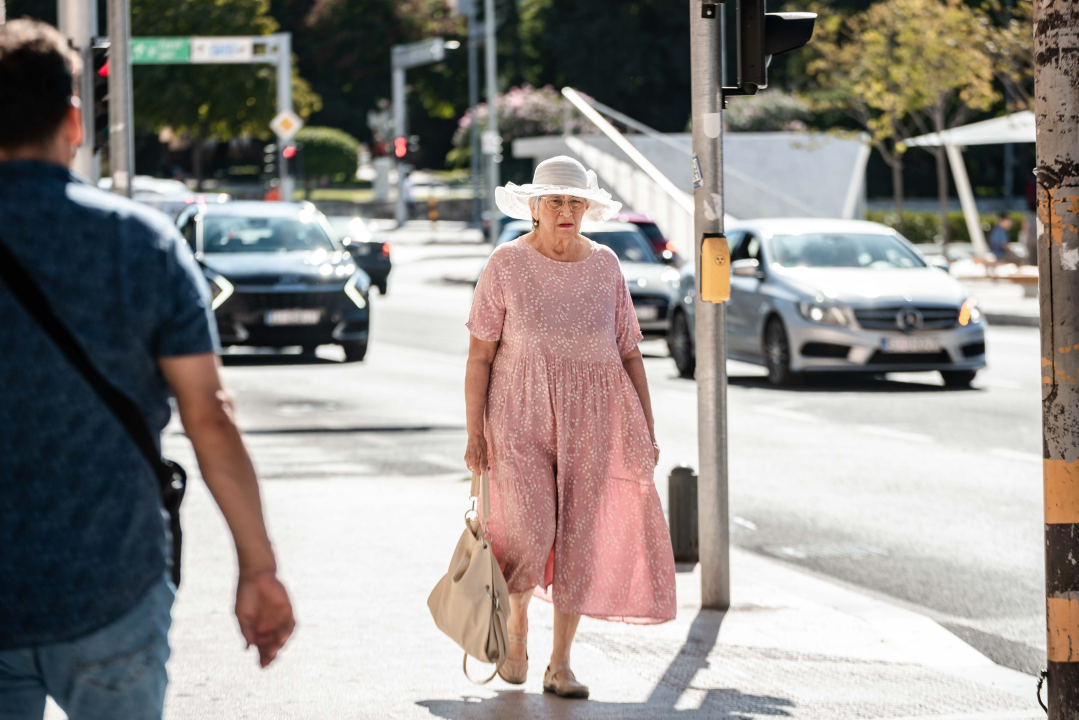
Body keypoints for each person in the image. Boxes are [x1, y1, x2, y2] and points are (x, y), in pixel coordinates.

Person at [0, 20, 294, 719]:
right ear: (75, 122)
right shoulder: (140, 244)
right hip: (111, 582)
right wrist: (258, 567)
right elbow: (209, 415)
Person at [463, 156, 677, 699]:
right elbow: (480, 356)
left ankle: (560, 664)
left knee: (580, 539)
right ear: (534, 207)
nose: (566, 210)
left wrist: (646, 429)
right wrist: (474, 434)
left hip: (595, 421)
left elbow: (629, 353)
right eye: (555, 201)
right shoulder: (506, 264)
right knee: (529, 532)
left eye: (575, 201)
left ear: (587, 208)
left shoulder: (605, 265)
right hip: (518, 417)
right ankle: (516, 621)